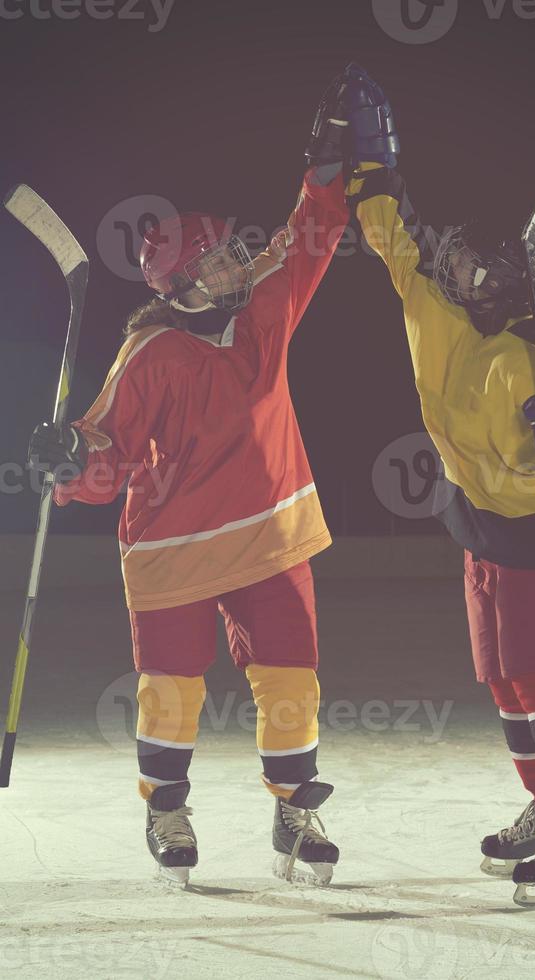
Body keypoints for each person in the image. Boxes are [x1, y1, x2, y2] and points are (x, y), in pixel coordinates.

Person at [27, 70, 352, 887]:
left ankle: (293, 804)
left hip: (271, 539)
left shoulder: (265, 311)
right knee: (172, 689)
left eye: (231, 251)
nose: (237, 265)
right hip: (172, 551)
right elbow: (106, 455)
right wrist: (72, 460)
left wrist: (325, 170)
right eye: (216, 261)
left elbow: (304, 236)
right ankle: (166, 805)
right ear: (180, 287)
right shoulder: (152, 354)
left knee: (291, 675)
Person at [341, 64, 535, 906]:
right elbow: (393, 232)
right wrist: (368, 164)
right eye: (458, 256)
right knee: (507, 678)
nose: (459, 269)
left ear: (516, 279)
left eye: (478, 263)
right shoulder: (433, 307)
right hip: (480, 528)